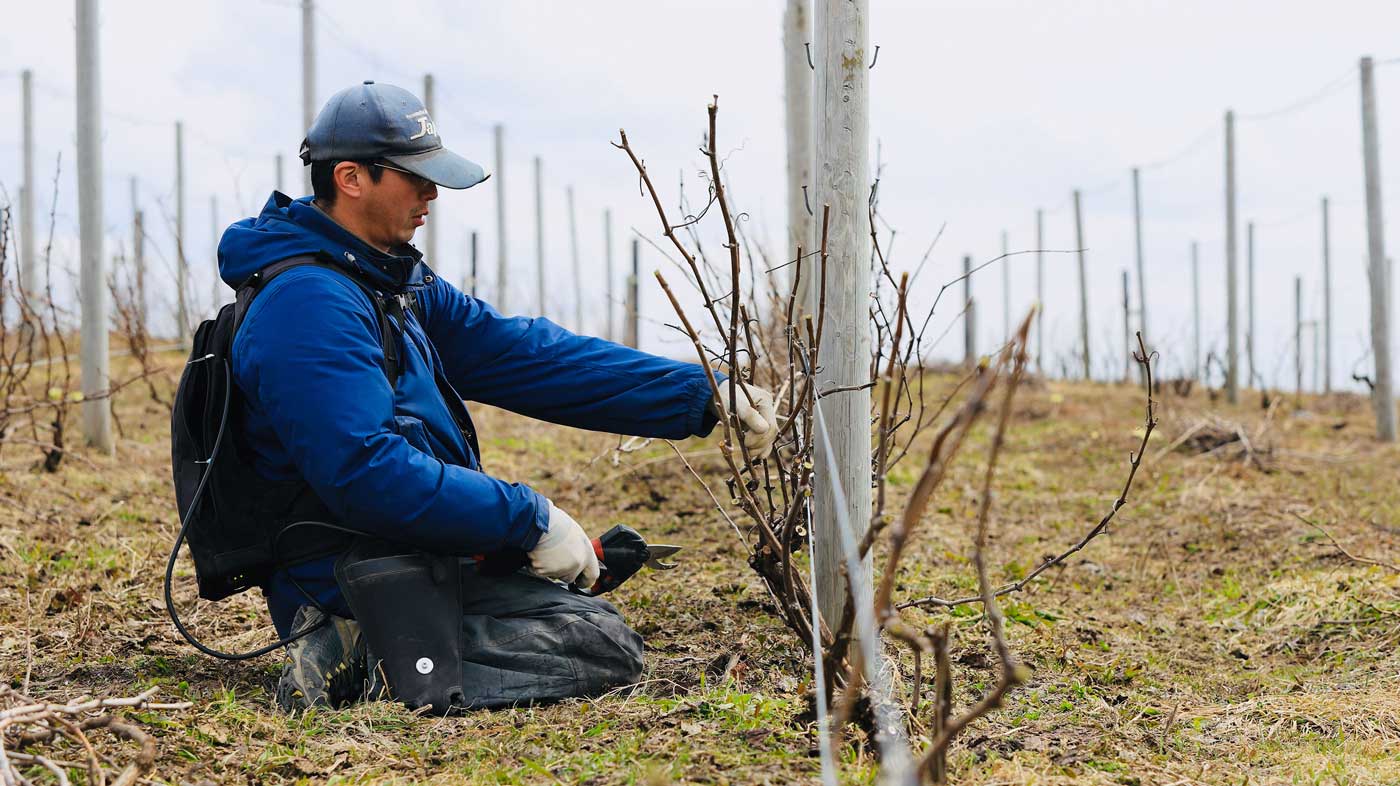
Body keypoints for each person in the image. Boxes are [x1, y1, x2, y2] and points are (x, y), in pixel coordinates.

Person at [215, 81, 777, 711]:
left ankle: (390, 639)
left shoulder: (385, 280)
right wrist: (525, 518)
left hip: (399, 543)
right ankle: (360, 656)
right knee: (599, 642)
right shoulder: (310, 302)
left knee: (580, 619)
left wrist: (699, 391)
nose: (432, 193)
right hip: (349, 569)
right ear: (351, 177)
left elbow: (521, 354)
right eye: (416, 176)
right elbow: (364, 470)